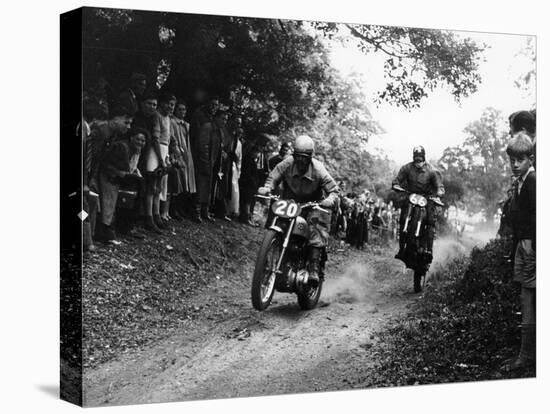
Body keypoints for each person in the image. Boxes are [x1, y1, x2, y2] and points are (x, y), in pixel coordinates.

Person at [258, 135, 339, 286]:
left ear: (310, 157)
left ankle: (314, 267)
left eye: (305, 157)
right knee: (278, 222)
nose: (301, 161)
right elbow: (273, 176)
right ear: (293, 155)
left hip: (313, 204)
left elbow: (334, 190)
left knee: (317, 226)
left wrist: (328, 200)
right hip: (290, 202)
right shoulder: (287, 163)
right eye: (298, 156)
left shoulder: (319, 169)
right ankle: (271, 258)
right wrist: (267, 187)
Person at [502, 132, 536, 371]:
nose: (515, 164)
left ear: (530, 159)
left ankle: (527, 356)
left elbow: (536, 215)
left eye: (520, 159)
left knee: (529, 298)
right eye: (512, 159)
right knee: (525, 297)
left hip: (531, 246)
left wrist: (533, 244)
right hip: (522, 245)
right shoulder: (520, 182)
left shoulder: (534, 182)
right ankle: (525, 352)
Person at [392, 146, 444, 261]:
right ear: (413, 158)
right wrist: (396, 185)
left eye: (420, 160)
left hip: (427, 198)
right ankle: (401, 249)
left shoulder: (432, 171)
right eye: (416, 159)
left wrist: (439, 193)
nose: (418, 162)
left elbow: (439, 186)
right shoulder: (407, 168)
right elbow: (397, 179)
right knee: (403, 218)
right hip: (411, 196)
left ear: (424, 158)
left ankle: (429, 250)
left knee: (430, 221)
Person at [96, 127, 146, 242]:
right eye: (138, 139)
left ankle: (126, 226)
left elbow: (131, 167)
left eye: (143, 141)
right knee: (107, 205)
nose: (140, 142)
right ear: (131, 138)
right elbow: (107, 164)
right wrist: (122, 174)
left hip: (119, 177)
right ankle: (104, 231)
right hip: (109, 176)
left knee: (138, 190)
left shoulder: (137, 151)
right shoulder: (122, 147)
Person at [132, 90, 163, 233]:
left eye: (154, 105)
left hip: (145, 155)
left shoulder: (153, 119)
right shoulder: (137, 117)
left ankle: (141, 219)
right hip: (134, 153)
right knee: (134, 185)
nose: (152, 107)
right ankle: (131, 221)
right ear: (142, 104)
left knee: (145, 186)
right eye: (149, 104)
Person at [169, 100, 197, 219]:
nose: (182, 112)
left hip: (186, 152)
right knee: (177, 180)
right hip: (177, 152)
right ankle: (172, 209)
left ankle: (179, 208)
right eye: (179, 109)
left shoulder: (186, 125)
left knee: (185, 181)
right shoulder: (172, 122)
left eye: (184, 110)